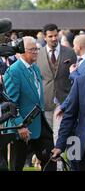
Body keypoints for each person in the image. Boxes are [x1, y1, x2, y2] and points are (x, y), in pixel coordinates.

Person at [4, 37, 56, 171]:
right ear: (22, 51)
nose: (36, 52)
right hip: (21, 128)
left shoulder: (35, 68)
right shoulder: (14, 71)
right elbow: (10, 103)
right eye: (32, 50)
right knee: (17, 165)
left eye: (37, 49)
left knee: (50, 157)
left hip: (39, 122)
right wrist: (20, 125)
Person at [36, 23, 77, 144]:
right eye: (50, 36)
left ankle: (59, 162)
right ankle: (51, 161)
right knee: (48, 135)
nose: (54, 38)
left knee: (59, 133)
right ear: (44, 37)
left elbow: (75, 78)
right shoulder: (38, 54)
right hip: (46, 100)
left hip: (64, 100)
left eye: (55, 35)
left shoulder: (70, 53)